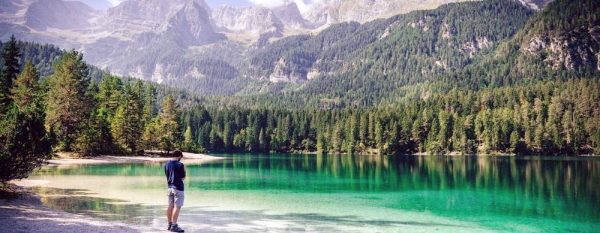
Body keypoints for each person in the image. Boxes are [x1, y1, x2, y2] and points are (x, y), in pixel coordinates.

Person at [165, 150, 186, 232]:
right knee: (177, 206)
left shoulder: (167, 164)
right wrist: (185, 171)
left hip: (169, 187)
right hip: (178, 188)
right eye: (181, 157)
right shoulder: (180, 165)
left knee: (170, 206)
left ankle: (169, 224)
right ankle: (174, 225)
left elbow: (167, 175)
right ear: (180, 156)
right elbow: (183, 177)